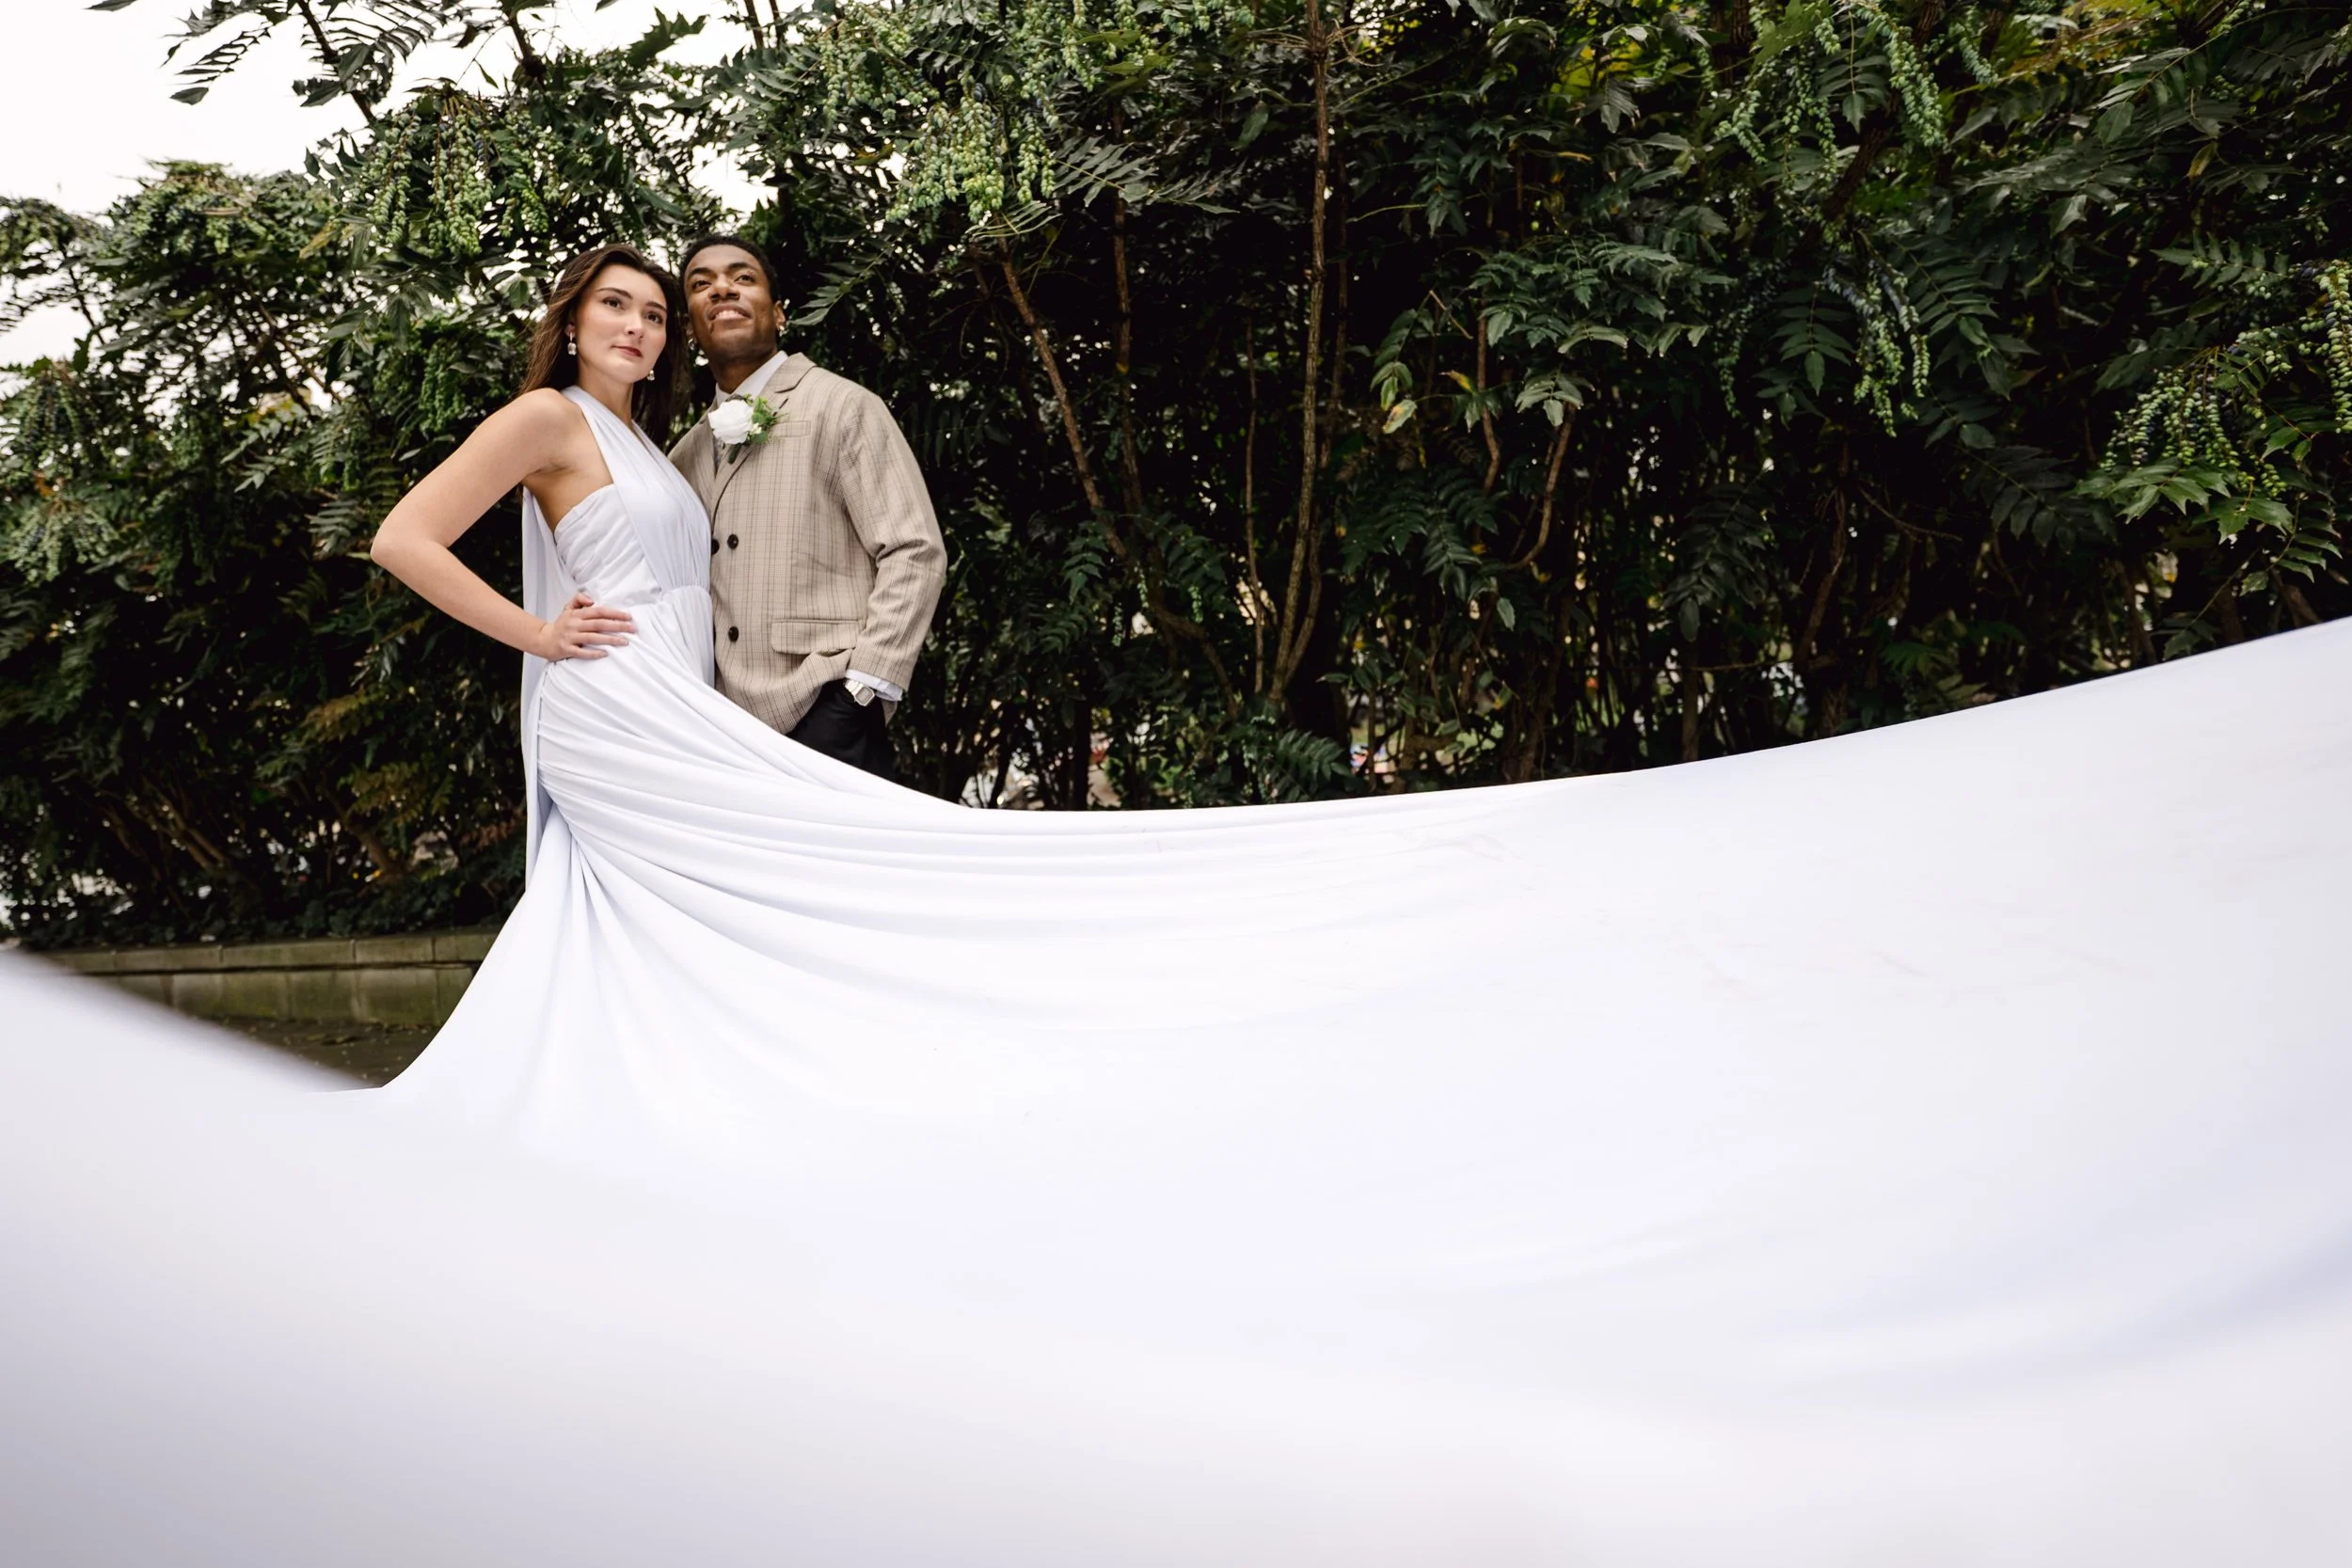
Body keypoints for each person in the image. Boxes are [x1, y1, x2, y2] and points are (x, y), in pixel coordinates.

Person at [668, 233, 946, 781]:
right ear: (690, 328)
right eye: (701, 286)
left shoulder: (843, 406)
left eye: (742, 278)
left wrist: (861, 692)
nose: (722, 288)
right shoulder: (685, 455)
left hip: (831, 710)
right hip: (726, 735)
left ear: (778, 315)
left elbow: (914, 552)